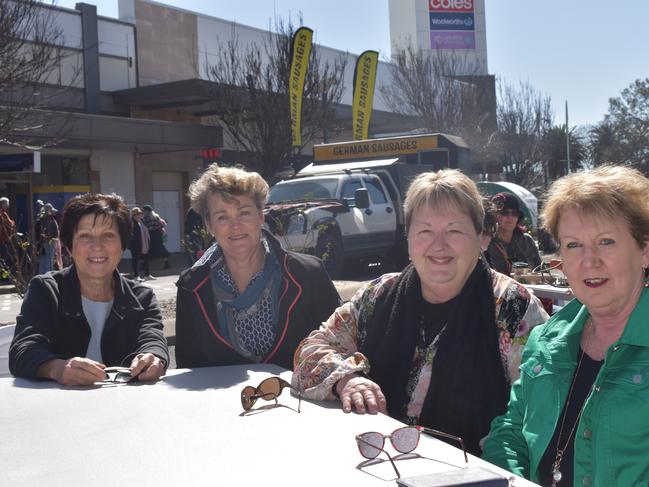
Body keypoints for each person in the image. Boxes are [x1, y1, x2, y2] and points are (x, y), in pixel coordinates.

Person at [292, 169, 549, 455]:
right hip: (379, 464)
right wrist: (347, 379)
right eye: (425, 230)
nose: (438, 245)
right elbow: (310, 351)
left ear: (482, 237)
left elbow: (535, 413)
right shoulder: (378, 295)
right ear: (408, 237)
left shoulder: (513, 308)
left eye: (454, 230)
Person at [483, 166, 649, 486]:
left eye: (606, 241)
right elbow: (510, 433)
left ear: (644, 250)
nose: (589, 261)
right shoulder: (545, 340)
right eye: (573, 245)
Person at [175, 164, 341, 369]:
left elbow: (340, 343)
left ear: (260, 216)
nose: (235, 226)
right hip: (222, 401)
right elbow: (188, 366)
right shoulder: (191, 286)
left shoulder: (307, 274)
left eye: (244, 213)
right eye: (222, 217)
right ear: (209, 226)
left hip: (299, 399)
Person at [9, 193, 169, 386]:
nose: (97, 246)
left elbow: (153, 340)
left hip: (125, 407)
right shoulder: (45, 290)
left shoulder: (142, 297)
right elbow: (23, 349)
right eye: (85, 237)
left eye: (108, 236)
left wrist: (153, 358)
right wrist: (57, 368)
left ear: (122, 245)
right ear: (69, 246)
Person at [486, 192, 543, 276]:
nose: (510, 217)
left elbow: (541, 272)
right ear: (494, 216)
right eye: (504, 213)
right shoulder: (486, 243)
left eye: (514, 213)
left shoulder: (527, 241)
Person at [142, 204, 170, 271]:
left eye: (144, 211)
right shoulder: (156, 216)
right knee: (160, 248)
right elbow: (163, 225)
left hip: (151, 234)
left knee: (149, 248)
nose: (144, 212)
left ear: (147, 211)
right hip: (158, 234)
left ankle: (144, 265)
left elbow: (145, 227)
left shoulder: (146, 218)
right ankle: (166, 263)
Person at [37, 203, 62, 274]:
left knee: (44, 260)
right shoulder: (48, 220)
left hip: (44, 242)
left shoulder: (42, 219)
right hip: (49, 242)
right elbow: (52, 233)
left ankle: (42, 275)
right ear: (48, 211)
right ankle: (47, 275)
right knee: (48, 260)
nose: (53, 212)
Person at [129, 207, 152, 281]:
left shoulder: (141, 221)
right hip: (135, 245)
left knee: (146, 259)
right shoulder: (132, 222)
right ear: (134, 214)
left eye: (140, 213)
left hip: (144, 243)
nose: (140, 215)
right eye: (138, 213)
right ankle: (136, 276)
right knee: (135, 260)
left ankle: (147, 275)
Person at [0, 197, 16, 272]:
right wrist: (13, 222)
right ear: (3, 204)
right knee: (6, 259)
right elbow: (10, 224)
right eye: (7, 204)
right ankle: (5, 276)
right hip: (3, 240)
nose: (8, 205)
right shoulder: (3, 213)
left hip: (3, 239)